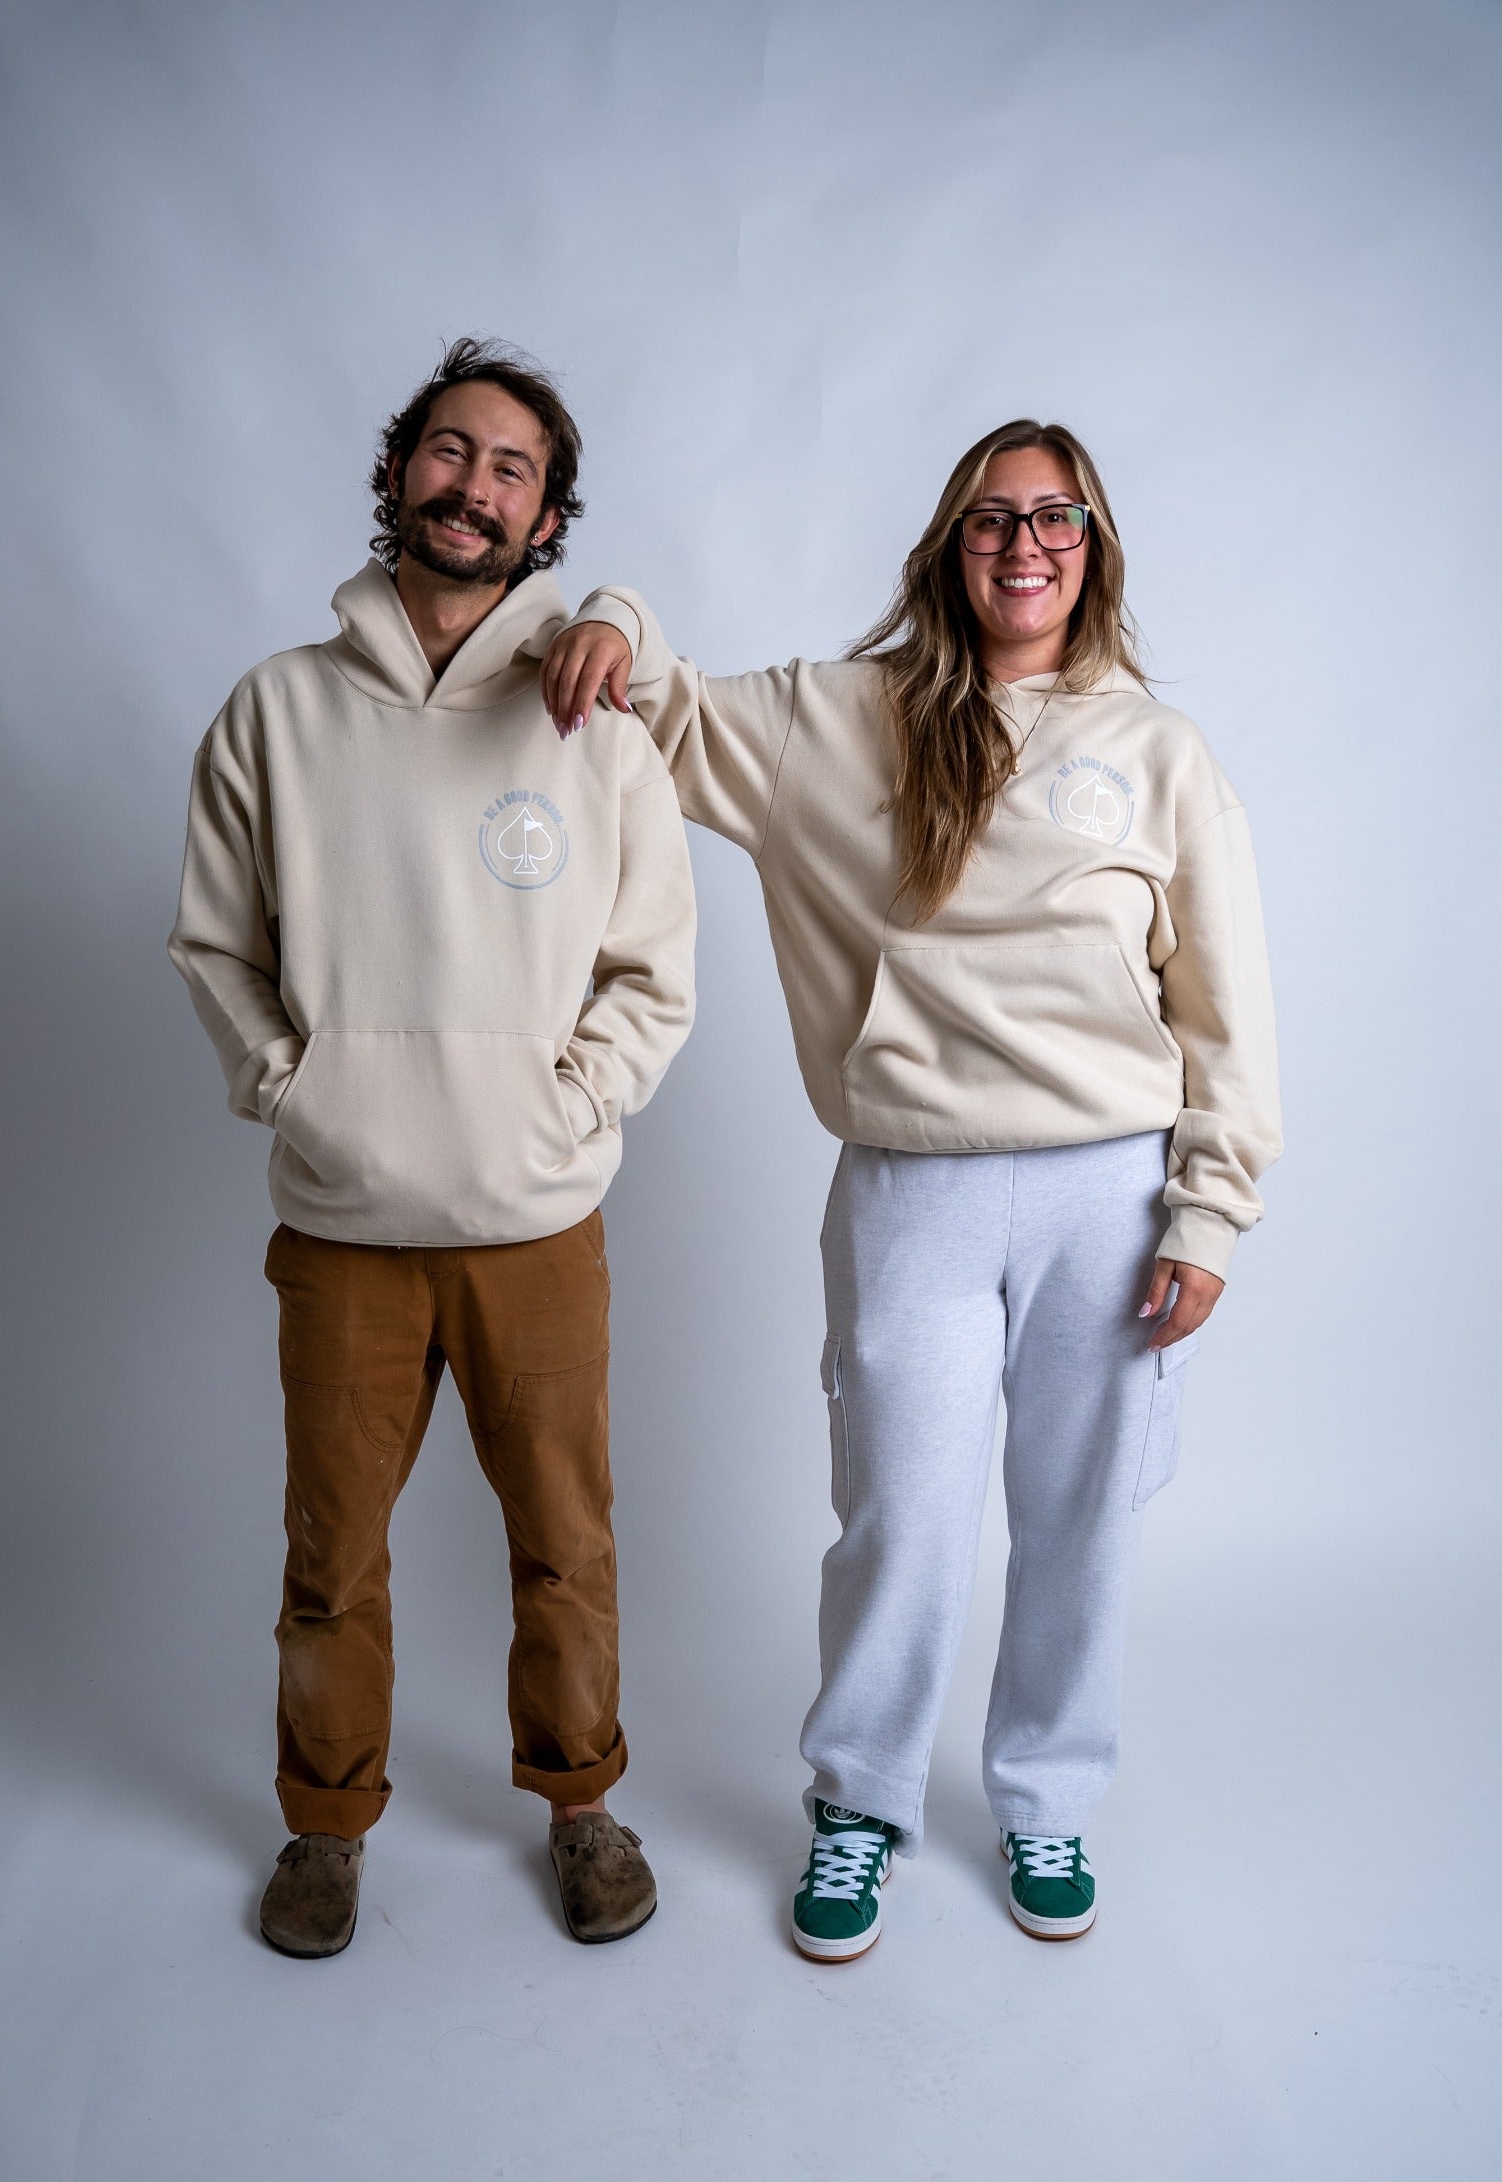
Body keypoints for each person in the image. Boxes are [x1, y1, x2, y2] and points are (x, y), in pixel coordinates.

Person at [541, 420, 1280, 1959]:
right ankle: (862, 1800)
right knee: (902, 1514)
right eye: (995, 518)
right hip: (915, 1185)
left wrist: (1210, 1209)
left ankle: (1045, 1792)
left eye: (1057, 516)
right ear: (953, 543)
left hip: (1112, 1190)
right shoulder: (843, 719)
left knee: (1081, 1516)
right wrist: (610, 606)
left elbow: (1227, 1007)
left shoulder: (1157, 751)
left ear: (1096, 545)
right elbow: (655, 706)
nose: (1027, 544)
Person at [171, 339, 694, 1956]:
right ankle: (325, 1825)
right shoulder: (278, 707)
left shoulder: (592, 713)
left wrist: (572, 1103)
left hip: (538, 1218)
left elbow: (653, 965)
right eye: (452, 452)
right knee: (332, 1554)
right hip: (343, 1220)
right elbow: (214, 946)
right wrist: (295, 1086)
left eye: (515, 469)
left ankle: (583, 1798)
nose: (476, 486)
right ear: (402, 469)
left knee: (566, 1544)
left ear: (551, 517)